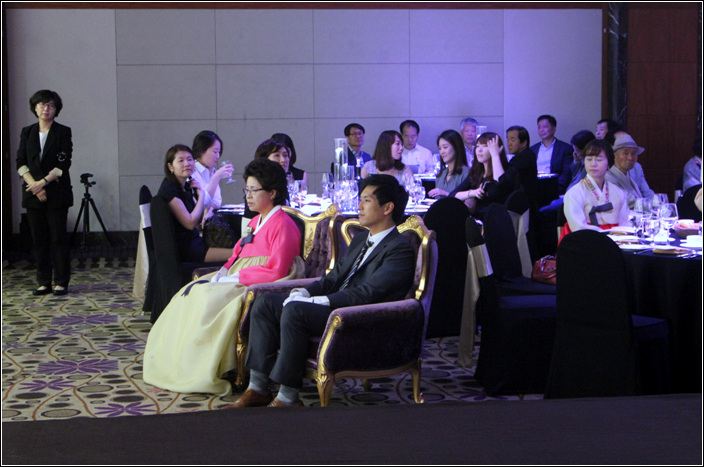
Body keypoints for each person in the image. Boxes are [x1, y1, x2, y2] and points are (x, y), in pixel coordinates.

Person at [229, 174, 416, 408]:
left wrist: (322, 301)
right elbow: (333, 278)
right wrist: (306, 293)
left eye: (366, 200)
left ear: (387, 208)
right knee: (265, 303)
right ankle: (257, 388)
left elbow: (369, 294)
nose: (359, 206)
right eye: (360, 199)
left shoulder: (399, 249)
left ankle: (287, 397)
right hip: (336, 308)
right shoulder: (360, 240)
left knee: (296, 312)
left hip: (359, 317)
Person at [143, 158, 305, 396]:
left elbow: (277, 270)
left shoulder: (283, 224)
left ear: (272, 193)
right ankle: (177, 363)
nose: (248, 196)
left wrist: (237, 277)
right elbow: (239, 252)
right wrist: (225, 270)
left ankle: (200, 368)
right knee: (191, 292)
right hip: (239, 274)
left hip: (259, 280)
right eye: (246, 190)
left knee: (207, 299)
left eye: (254, 190)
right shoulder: (256, 221)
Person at [16, 90, 73, 296]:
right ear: (35, 107)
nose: (45, 109)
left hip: (56, 193)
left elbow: (63, 163)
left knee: (58, 238)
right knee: (38, 240)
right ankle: (43, 282)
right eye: (41, 104)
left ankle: (61, 282)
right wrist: (34, 186)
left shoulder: (63, 132)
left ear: (56, 109)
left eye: (50, 105)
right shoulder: (27, 132)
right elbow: (20, 162)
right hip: (33, 193)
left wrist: (42, 183)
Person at [156, 144, 233, 263]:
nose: (187, 164)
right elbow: (190, 223)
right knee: (238, 254)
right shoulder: (169, 190)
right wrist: (201, 195)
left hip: (195, 242)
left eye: (189, 159)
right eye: (181, 161)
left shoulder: (186, 186)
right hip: (187, 250)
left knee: (236, 245)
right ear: (170, 166)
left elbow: (198, 216)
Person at [562, 139, 630, 240]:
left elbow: (625, 223)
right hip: (583, 241)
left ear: (609, 163)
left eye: (599, 159)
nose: (593, 164)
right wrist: (606, 236)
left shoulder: (619, 192)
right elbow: (578, 227)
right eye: (589, 159)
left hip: (616, 241)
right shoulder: (574, 193)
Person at [451, 132, 518, 219]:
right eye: (477, 146)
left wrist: (495, 156)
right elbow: (452, 195)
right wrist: (472, 193)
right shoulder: (476, 173)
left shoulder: (509, 170)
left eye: (485, 146)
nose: (479, 150)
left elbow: (501, 185)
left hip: (499, 219)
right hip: (478, 220)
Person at [190, 131, 236, 248]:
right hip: (194, 229)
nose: (218, 156)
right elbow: (202, 202)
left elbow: (217, 200)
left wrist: (210, 209)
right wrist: (216, 177)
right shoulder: (192, 172)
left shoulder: (211, 170)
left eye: (219, 152)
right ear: (201, 150)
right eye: (215, 152)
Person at [605, 134, 655, 208]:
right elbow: (627, 200)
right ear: (615, 155)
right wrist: (653, 204)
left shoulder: (629, 177)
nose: (630, 158)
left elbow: (647, 192)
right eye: (625, 153)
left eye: (633, 154)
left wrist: (658, 202)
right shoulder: (608, 178)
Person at [530, 115, 573, 194]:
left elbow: (566, 174)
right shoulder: (532, 150)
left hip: (555, 188)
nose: (541, 130)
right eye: (539, 127)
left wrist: (555, 189)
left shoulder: (565, 149)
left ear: (554, 129)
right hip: (535, 188)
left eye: (545, 127)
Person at [428, 129, 470, 198]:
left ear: (456, 147)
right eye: (440, 148)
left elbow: (469, 203)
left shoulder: (466, 173)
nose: (442, 152)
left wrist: (446, 194)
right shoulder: (441, 174)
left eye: (445, 147)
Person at [505, 125, 537, 201]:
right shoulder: (528, 154)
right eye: (508, 139)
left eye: (512, 140)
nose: (509, 144)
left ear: (524, 143)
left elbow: (505, 179)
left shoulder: (523, 158)